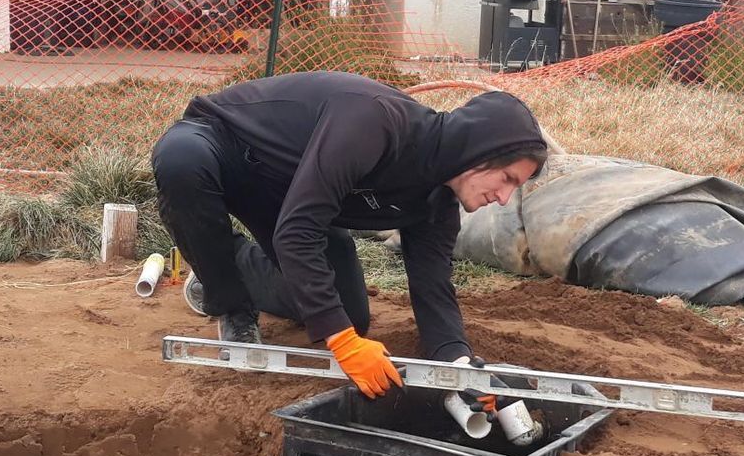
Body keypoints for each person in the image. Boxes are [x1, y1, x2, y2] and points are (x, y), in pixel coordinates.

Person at [151, 70, 548, 394]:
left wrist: (461, 368)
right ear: (478, 151)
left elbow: (433, 291)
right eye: (507, 178)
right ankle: (230, 300)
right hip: (227, 145)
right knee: (181, 161)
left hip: (293, 195)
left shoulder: (437, 205)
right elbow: (299, 231)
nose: (503, 198)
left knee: (348, 315)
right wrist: (340, 341)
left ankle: (222, 265)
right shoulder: (375, 121)